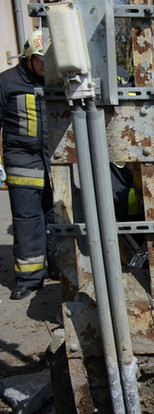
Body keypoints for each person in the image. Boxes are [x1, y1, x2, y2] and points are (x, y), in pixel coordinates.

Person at [0, 30, 61, 300]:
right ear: (29, 57)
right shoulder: (7, 82)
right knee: (27, 221)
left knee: (57, 217)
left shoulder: (57, 81)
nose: (47, 67)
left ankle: (59, 268)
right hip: (22, 161)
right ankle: (29, 278)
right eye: (42, 61)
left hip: (53, 161)